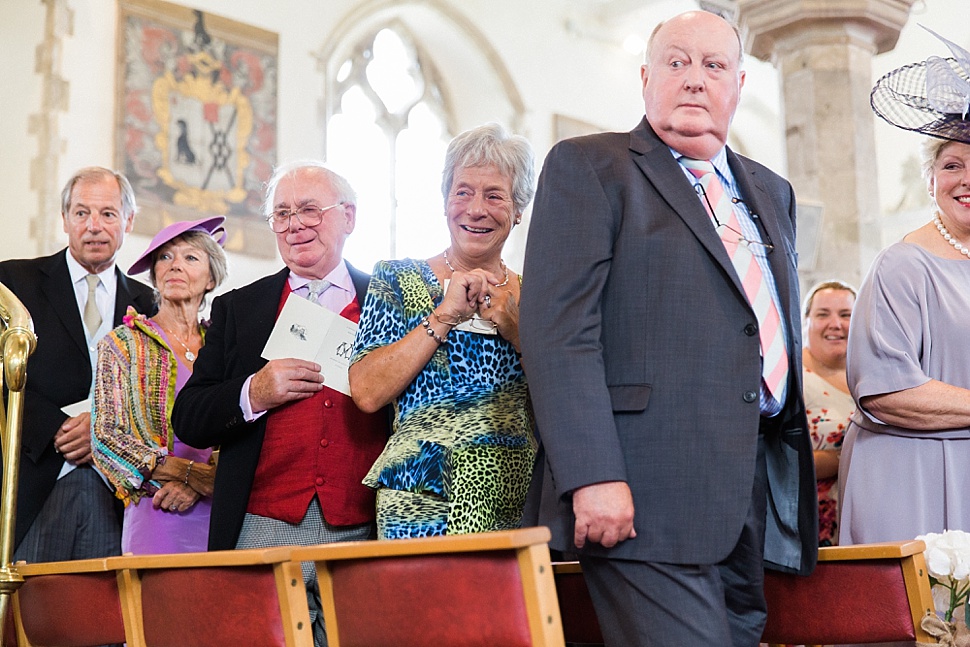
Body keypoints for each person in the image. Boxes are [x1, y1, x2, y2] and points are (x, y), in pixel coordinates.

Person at [518, 10, 817, 646]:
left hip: (746, 490)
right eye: (677, 63)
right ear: (647, 77)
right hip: (640, 491)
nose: (693, 80)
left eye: (713, 67)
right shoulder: (591, 169)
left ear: (738, 85)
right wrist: (593, 474)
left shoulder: (772, 190)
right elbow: (560, 336)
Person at [172, 161, 389, 647]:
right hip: (261, 527)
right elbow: (189, 418)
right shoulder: (239, 308)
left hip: (362, 528)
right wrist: (253, 392)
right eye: (282, 214)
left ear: (348, 217)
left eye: (310, 210)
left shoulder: (388, 301)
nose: (295, 225)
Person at [349, 123, 537, 539]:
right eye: (463, 192)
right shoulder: (397, 278)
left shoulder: (536, 294)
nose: (475, 209)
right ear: (445, 200)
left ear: (519, 208)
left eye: (494, 196)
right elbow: (366, 391)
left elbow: (566, 405)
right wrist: (443, 316)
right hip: (420, 500)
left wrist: (520, 333)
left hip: (515, 499)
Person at [840, 29, 970, 548]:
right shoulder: (902, 266)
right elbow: (886, 391)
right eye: (951, 165)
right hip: (911, 475)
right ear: (930, 178)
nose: (965, 179)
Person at [0, 166, 156, 562]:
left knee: (105, 615)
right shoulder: (13, 282)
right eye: (82, 213)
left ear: (128, 221)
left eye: (108, 214)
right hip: (33, 476)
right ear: (65, 219)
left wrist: (103, 432)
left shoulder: (151, 304)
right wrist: (57, 429)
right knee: (30, 614)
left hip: (118, 490)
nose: (94, 227)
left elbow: (156, 390)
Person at [91, 217, 228, 554]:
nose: (175, 266)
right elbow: (105, 438)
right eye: (165, 258)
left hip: (224, 511)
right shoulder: (123, 343)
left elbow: (246, 426)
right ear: (154, 276)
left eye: (190, 258)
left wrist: (203, 484)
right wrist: (187, 474)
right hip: (158, 507)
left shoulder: (225, 346)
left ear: (211, 278)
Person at [801, 280, 856, 547]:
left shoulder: (871, 375)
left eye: (846, 315)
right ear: (806, 321)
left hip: (861, 522)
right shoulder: (790, 378)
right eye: (823, 314)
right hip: (808, 526)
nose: (836, 324)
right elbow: (777, 461)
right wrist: (844, 458)